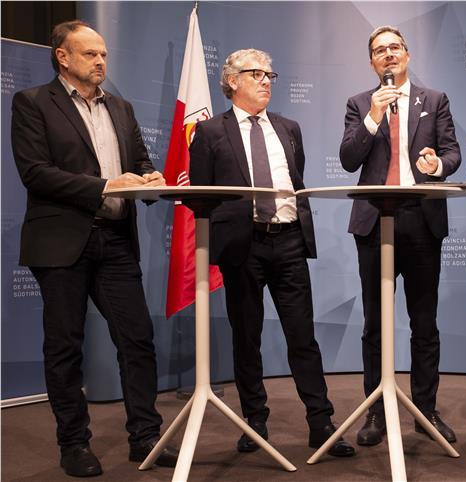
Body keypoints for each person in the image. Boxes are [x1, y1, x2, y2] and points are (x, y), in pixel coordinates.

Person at [10, 20, 177, 477]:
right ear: (63, 57)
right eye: (90, 54)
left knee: (137, 340)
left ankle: (145, 437)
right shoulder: (31, 103)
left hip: (117, 240)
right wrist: (106, 184)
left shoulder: (120, 108)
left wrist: (149, 178)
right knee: (65, 346)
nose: (101, 61)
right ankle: (74, 443)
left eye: (103, 53)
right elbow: (36, 173)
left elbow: (139, 162)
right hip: (62, 241)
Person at [188, 48, 354, 457]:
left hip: (290, 241)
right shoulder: (210, 132)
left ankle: (321, 422)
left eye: (270, 74)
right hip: (243, 246)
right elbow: (199, 196)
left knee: (303, 337)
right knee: (248, 337)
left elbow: (294, 178)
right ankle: (254, 422)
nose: (266, 81)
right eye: (255, 74)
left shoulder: (289, 127)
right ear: (232, 81)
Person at [339, 25, 461, 446]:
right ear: (372, 62)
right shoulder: (359, 104)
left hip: (421, 222)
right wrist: (374, 115)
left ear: (407, 55)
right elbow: (348, 159)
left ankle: (425, 411)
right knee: (374, 324)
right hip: (375, 222)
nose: (388, 55)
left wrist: (435, 166)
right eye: (379, 51)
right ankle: (376, 411)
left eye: (394, 47)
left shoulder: (435, 100)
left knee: (424, 323)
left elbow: (453, 154)